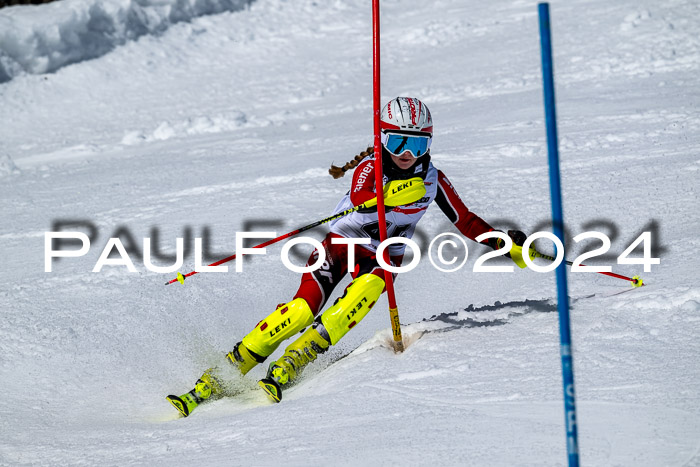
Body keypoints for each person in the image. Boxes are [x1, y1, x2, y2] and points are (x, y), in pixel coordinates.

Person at [167, 97, 527, 417]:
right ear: (382, 139)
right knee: (301, 310)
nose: (406, 152)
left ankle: (297, 358)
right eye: (397, 141)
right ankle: (226, 370)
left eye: (416, 143)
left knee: (360, 297)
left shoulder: (433, 179)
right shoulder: (371, 166)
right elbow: (359, 197)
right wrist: (392, 193)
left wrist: (503, 243)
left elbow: (464, 219)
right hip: (342, 242)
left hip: (384, 256)